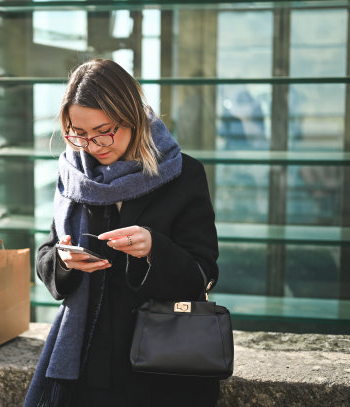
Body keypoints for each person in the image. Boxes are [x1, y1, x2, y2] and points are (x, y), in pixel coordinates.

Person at [24, 58, 220, 407]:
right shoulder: (72, 176)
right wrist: (65, 261)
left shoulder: (183, 174)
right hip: (88, 364)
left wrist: (153, 249)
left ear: (131, 117)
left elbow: (203, 271)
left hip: (162, 367)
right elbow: (46, 256)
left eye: (103, 131)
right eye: (78, 133)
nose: (92, 145)